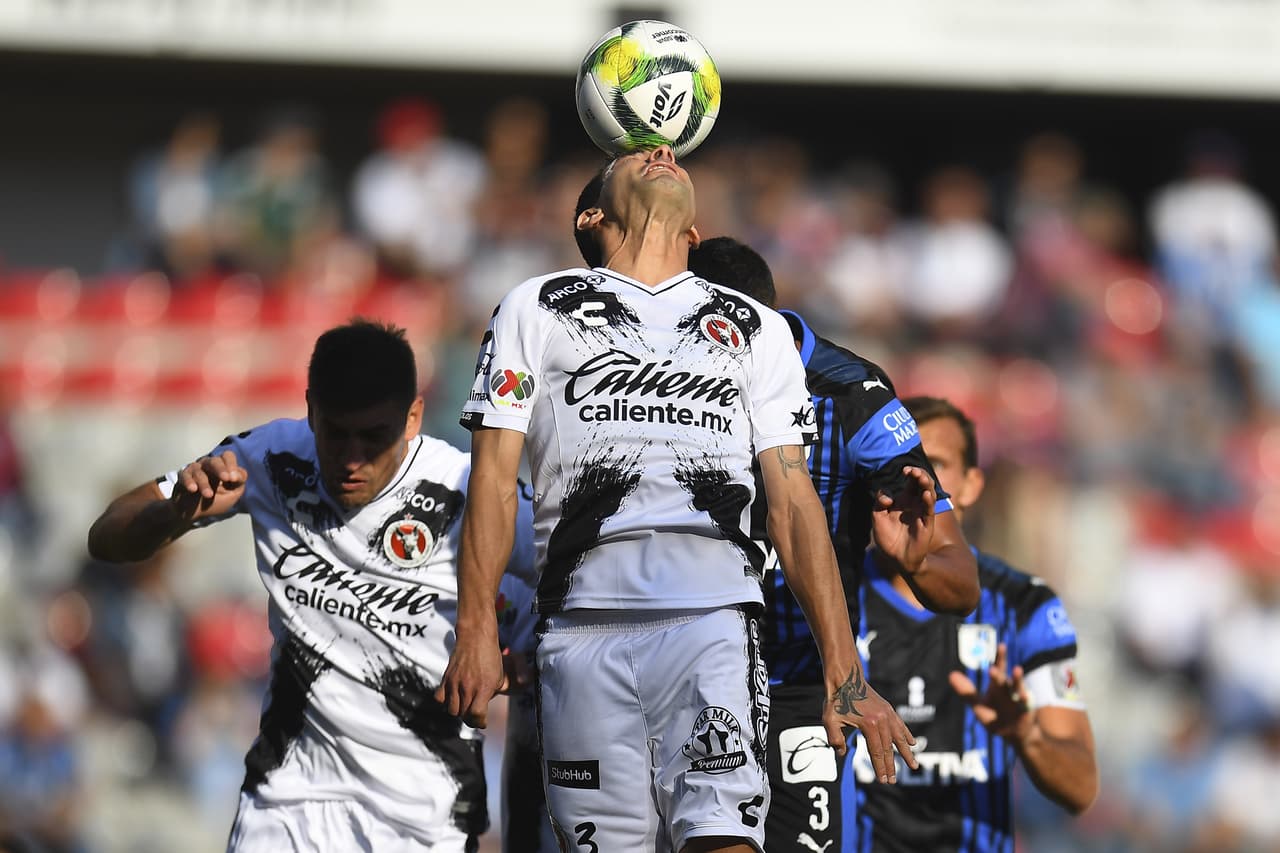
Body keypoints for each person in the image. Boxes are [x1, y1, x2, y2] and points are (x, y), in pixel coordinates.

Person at [438, 145, 917, 853]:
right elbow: (492, 477)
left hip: (714, 625)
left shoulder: (753, 327)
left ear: (695, 233)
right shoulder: (536, 307)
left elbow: (791, 501)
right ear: (592, 214)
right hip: (579, 630)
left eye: (670, 152)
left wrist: (844, 674)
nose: (662, 149)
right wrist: (477, 627)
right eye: (635, 156)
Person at [86, 319, 535, 852]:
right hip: (285, 803)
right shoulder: (273, 458)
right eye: (336, 433)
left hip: (422, 820)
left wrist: (527, 648)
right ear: (309, 409)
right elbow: (107, 536)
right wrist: (175, 515)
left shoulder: (466, 490)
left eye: (373, 438)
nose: (351, 459)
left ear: (413, 416)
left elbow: (583, 582)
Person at [688, 236, 980, 853]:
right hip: (683, 674)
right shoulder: (656, 380)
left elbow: (960, 583)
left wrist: (916, 559)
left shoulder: (852, 393)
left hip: (801, 687)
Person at [851, 396, 1098, 851]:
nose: (916, 477)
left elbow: (1080, 787)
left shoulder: (1023, 605)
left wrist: (1025, 733)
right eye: (897, 463)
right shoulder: (832, 598)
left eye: (934, 463)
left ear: (970, 486)